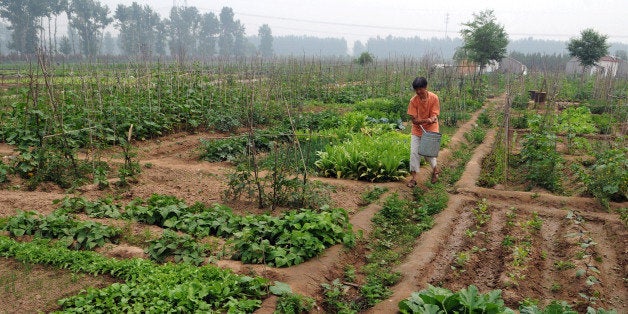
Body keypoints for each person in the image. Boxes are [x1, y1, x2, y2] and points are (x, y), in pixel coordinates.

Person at [406, 76, 440, 187]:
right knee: (414, 153)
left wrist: (433, 119)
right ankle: (414, 178)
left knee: (428, 154)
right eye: (416, 89)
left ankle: (435, 171)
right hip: (417, 130)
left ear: (426, 87)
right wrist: (427, 120)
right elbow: (414, 121)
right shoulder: (413, 101)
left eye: (420, 89)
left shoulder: (434, 98)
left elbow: (435, 115)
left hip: (431, 129)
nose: (418, 92)